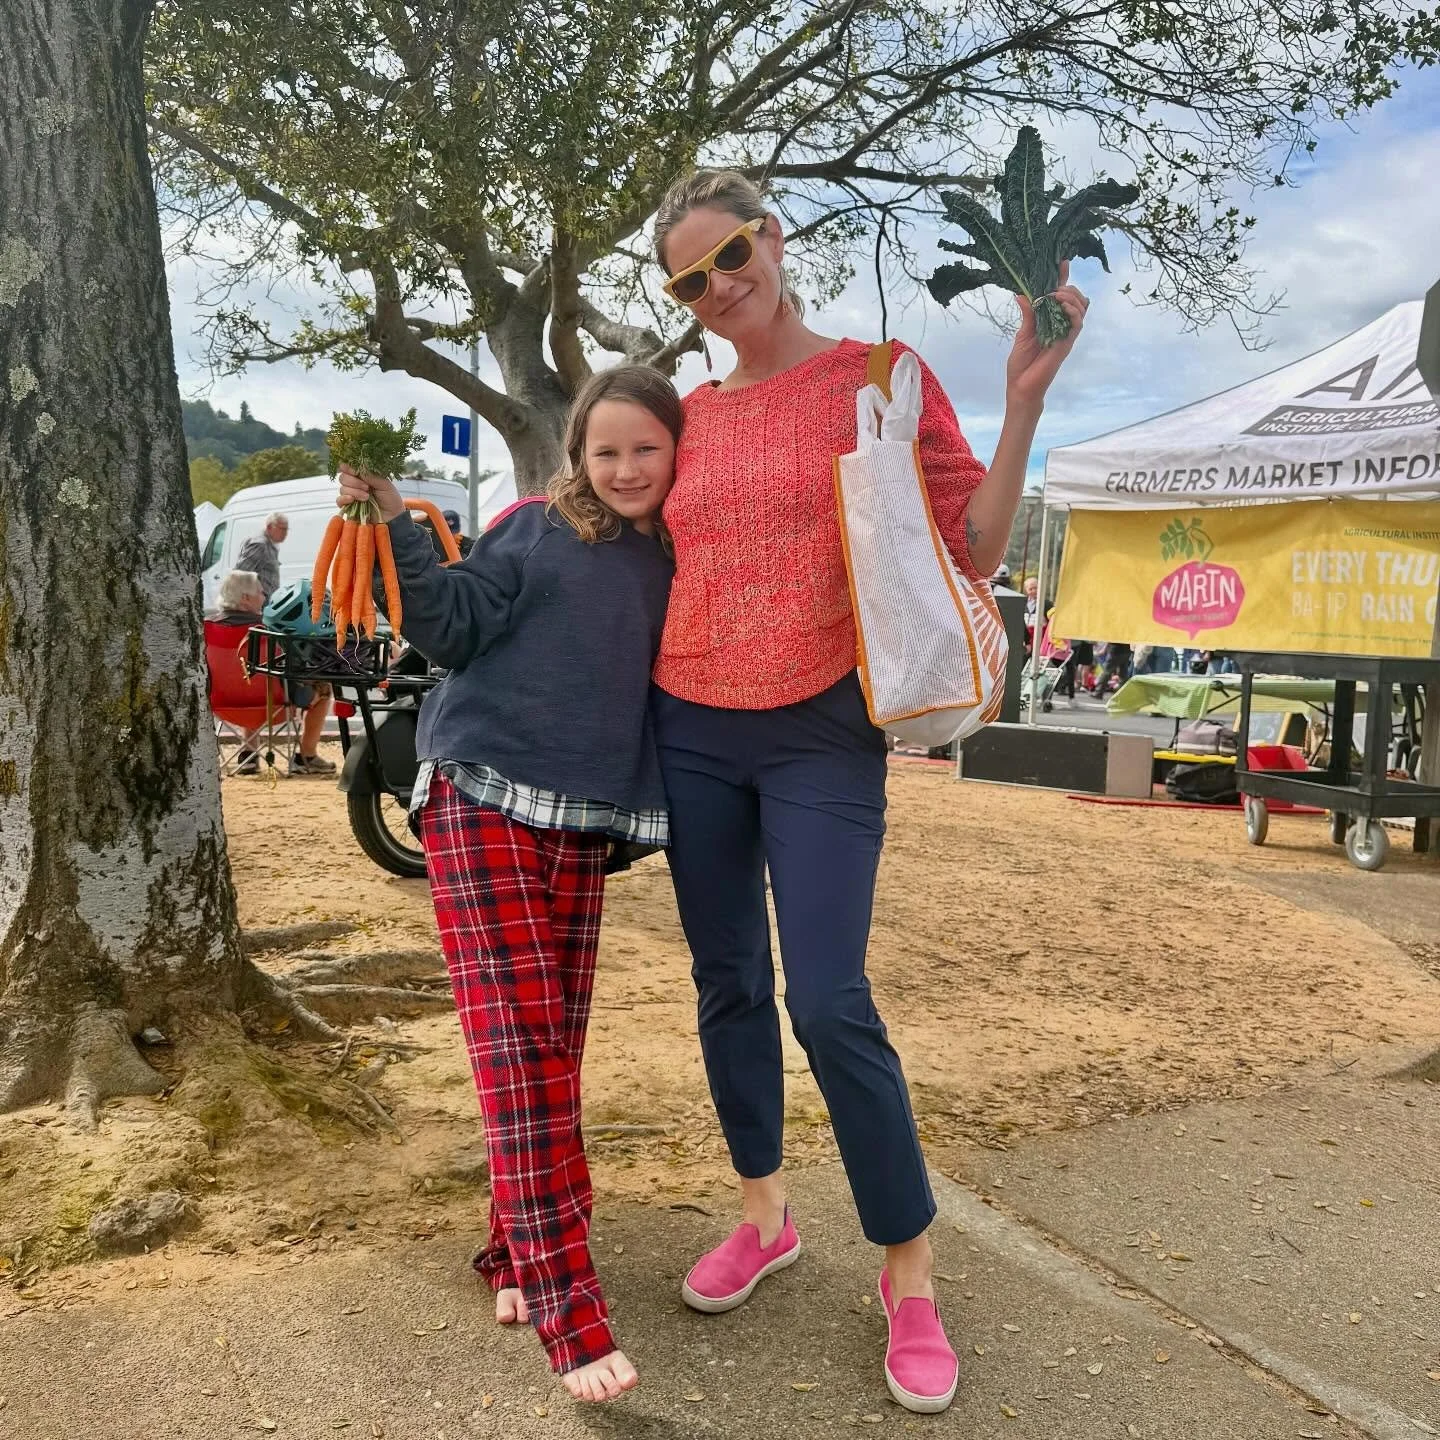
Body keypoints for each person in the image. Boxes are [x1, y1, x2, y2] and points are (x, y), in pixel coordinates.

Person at [650, 169, 1088, 1414]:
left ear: (773, 239)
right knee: (726, 982)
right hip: (690, 724)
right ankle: (764, 1214)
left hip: (821, 731)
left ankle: (909, 1273)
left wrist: (1020, 408)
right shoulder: (689, 414)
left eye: (731, 254)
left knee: (830, 999)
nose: (718, 288)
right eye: (689, 280)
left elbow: (978, 545)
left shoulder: (877, 374)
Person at [335, 366, 677, 1405]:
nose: (622, 469)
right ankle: (570, 1308)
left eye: (644, 450)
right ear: (576, 454)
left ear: (676, 453)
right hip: (477, 794)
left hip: (582, 820)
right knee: (516, 1046)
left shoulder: (677, 556)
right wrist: (401, 520)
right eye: (603, 450)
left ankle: (511, 1251)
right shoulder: (531, 528)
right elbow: (448, 625)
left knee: (551, 1041)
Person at [208, 568, 336, 776]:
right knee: (323, 688)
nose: (265, 596)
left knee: (248, 679)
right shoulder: (268, 629)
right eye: (260, 592)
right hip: (274, 707)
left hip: (223, 707)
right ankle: (307, 756)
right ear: (246, 598)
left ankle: (248, 754)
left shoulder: (207, 627)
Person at [235, 512, 288, 601]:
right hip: (258, 606)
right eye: (282, 529)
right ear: (269, 527)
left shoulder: (269, 544)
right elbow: (241, 574)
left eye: (286, 529)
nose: (285, 533)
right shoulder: (259, 545)